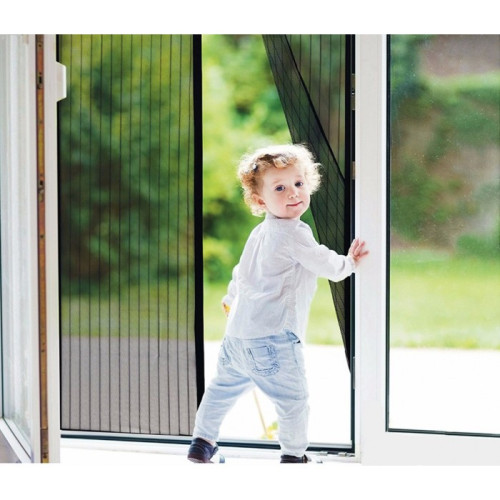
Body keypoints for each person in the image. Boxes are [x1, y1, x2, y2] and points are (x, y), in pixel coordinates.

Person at [187, 144, 368, 463]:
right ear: (260, 200)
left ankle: (202, 442)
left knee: (221, 390)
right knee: (292, 400)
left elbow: (241, 274)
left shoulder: (258, 234)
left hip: (237, 337)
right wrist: (350, 262)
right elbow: (324, 263)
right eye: (280, 188)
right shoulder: (294, 232)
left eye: (298, 183)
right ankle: (294, 456)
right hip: (273, 339)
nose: (293, 193)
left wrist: (230, 299)